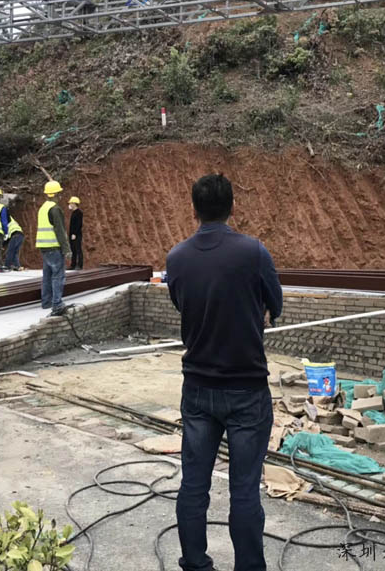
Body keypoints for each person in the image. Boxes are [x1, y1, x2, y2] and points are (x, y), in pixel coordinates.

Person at [166, 173, 283, 571]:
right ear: (233, 207)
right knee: (245, 490)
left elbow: (182, 304)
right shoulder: (254, 252)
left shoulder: (176, 258)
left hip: (198, 388)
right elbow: (275, 304)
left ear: (193, 209)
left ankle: (195, 564)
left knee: (193, 485)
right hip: (247, 388)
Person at [36, 180, 71, 316]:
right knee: (58, 275)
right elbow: (60, 231)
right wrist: (66, 249)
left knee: (47, 275)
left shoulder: (43, 208)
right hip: (54, 247)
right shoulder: (55, 209)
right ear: (56, 194)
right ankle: (57, 304)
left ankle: (46, 302)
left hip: (44, 246)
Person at [68, 196, 84, 270]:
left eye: (71, 203)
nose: (70, 205)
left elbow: (79, 224)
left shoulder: (79, 213)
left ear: (74, 203)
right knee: (73, 249)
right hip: (72, 234)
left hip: (76, 235)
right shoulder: (73, 213)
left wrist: (74, 234)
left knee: (78, 249)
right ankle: (73, 265)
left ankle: (80, 265)